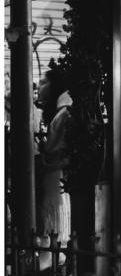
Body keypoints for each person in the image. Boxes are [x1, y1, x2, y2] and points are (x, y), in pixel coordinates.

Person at [34, 68, 72, 246]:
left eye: (43, 82)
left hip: (57, 180)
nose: (39, 86)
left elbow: (64, 151)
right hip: (55, 179)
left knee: (54, 234)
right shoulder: (59, 113)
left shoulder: (62, 114)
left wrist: (44, 161)